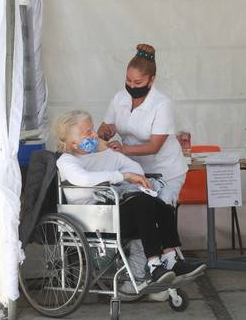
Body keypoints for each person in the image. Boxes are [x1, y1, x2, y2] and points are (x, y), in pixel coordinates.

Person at [54, 110, 205, 285]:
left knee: (161, 204)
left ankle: (171, 259)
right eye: (87, 132)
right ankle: (154, 264)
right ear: (72, 143)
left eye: (92, 129)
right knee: (142, 202)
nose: (94, 134)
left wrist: (117, 163)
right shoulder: (66, 161)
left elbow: (135, 170)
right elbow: (84, 179)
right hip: (91, 219)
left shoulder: (103, 155)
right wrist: (123, 177)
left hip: (111, 212)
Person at [98, 44, 187, 206]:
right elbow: (103, 128)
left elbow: (154, 146)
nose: (131, 86)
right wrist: (104, 132)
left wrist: (122, 149)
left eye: (138, 82)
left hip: (165, 172)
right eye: (128, 80)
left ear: (151, 80)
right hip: (134, 171)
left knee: (158, 211)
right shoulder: (120, 98)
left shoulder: (162, 104)